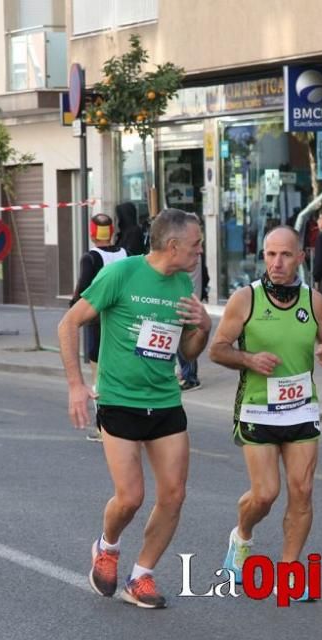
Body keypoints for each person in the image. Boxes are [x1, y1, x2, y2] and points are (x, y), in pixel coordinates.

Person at [58, 208, 211, 610]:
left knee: (174, 495)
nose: (200, 251)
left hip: (164, 401)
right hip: (120, 400)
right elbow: (69, 323)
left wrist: (203, 328)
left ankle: (141, 576)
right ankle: (106, 547)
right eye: (196, 244)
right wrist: (76, 385)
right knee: (130, 498)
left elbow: (187, 350)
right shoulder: (121, 274)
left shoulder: (182, 283)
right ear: (173, 245)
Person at [209, 226, 322, 602]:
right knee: (266, 494)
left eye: (285, 255)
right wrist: (248, 358)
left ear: (300, 257)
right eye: (270, 255)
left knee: (303, 491)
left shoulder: (313, 300)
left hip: (301, 407)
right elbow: (217, 349)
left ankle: (288, 571)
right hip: (257, 408)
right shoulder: (245, 299)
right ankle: (242, 537)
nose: (277, 263)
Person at [70, 213, 128, 441]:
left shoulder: (91, 258)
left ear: (92, 233)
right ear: (112, 231)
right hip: (125, 326)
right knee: (124, 376)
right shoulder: (127, 254)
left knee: (101, 380)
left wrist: (73, 309)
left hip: (100, 327)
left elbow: (82, 292)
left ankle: (103, 428)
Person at [176, 250, 209, 392]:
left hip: (188, 301)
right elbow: (205, 275)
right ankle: (187, 374)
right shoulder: (195, 254)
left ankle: (190, 378)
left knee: (186, 337)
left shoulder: (186, 255)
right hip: (193, 298)